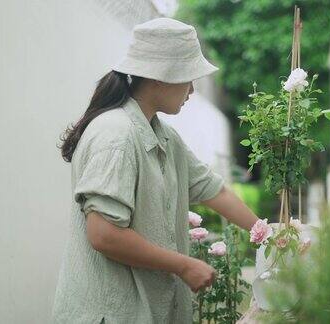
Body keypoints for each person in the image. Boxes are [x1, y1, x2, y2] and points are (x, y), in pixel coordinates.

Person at [51, 18, 260, 323]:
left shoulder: (163, 136)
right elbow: (104, 234)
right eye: (188, 77)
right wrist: (183, 265)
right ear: (161, 77)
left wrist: (267, 234)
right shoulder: (116, 135)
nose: (192, 89)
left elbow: (215, 190)